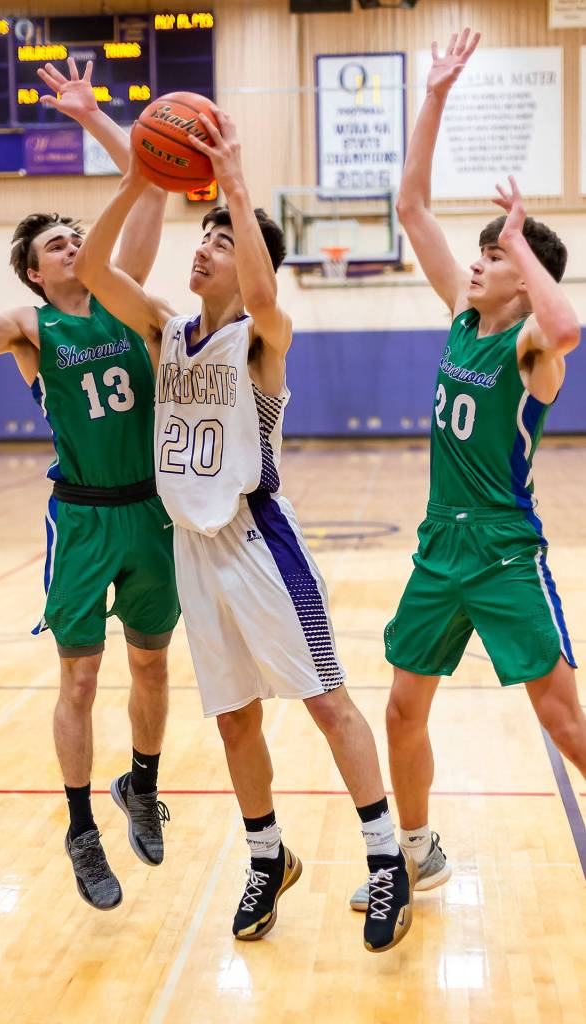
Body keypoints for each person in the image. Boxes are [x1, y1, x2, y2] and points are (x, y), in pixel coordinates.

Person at [73, 108, 414, 953]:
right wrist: (136, 179)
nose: (202, 249)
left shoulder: (261, 338)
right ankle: (267, 858)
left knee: (325, 702)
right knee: (232, 721)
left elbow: (263, 293)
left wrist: (234, 183)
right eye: (204, 238)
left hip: (259, 541)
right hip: (193, 551)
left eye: (219, 241)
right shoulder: (163, 329)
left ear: (248, 257)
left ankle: (385, 863)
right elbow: (87, 268)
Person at [0, 59, 180, 912]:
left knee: (151, 667)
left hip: (151, 510)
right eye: (57, 245)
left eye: (76, 236)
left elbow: (149, 188)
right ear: (34, 272)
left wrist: (92, 114)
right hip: (82, 518)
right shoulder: (29, 325)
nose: (74, 245)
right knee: (79, 680)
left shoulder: (122, 292)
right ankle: (81, 827)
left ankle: (140, 783)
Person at [350, 28, 586, 913]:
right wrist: (436, 94)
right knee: (403, 710)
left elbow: (564, 328)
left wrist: (522, 245)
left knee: (562, 722)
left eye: (493, 258)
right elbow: (412, 208)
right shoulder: (461, 319)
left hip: (501, 553)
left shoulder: (533, 348)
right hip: (436, 548)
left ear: (521, 280)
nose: (477, 262)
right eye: (484, 253)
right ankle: (415, 853)